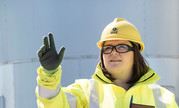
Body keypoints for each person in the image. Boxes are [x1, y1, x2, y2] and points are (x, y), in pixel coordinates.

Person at [36, 18, 178, 108]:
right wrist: (49, 74)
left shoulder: (163, 97)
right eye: (108, 48)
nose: (113, 52)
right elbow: (51, 104)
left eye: (121, 47)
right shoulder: (85, 91)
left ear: (136, 53)